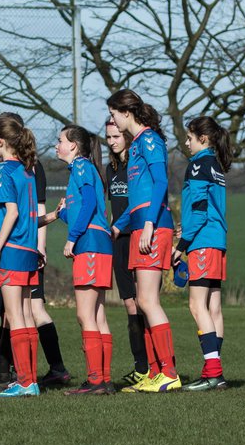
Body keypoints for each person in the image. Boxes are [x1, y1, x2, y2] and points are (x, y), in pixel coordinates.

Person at [108, 89, 181, 392]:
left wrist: (150, 224)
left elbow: (160, 183)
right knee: (141, 302)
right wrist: (117, 226)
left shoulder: (150, 139)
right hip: (139, 227)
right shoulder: (137, 144)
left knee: (148, 301)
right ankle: (154, 372)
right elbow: (137, 199)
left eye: (113, 114)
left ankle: (169, 373)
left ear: (126, 113)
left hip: (153, 228)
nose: (112, 120)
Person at [49, 125, 115, 395]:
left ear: (74, 146)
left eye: (60, 140)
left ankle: (95, 379)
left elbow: (88, 205)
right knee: (98, 314)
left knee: (84, 314)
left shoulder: (81, 167)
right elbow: (84, 209)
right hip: (100, 243)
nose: (56, 145)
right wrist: (63, 213)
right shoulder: (84, 170)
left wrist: (72, 237)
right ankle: (105, 380)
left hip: (89, 244)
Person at [0, 115, 43, 398]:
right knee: (27, 316)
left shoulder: (4, 169)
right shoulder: (27, 170)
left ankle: (26, 382)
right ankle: (30, 380)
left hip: (11, 249)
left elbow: (12, 212)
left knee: (15, 317)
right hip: (28, 249)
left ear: (0, 141)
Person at [175, 116, 231, 391]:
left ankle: (213, 373)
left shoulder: (198, 165)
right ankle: (214, 371)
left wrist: (181, 246)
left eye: (189, 138)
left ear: (203, 139)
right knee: (214, 308)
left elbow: (198, 211)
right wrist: (186, 229)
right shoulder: (216, 166)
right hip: (217, 240)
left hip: (202, 242)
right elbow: (207, 208)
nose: (186, 143)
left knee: (197, 306)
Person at [105, 118, 150, 386]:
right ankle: (141, 366)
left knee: (144, 302)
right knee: (130, 304)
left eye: (116, 137)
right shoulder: (109, 170)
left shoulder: (136, 165)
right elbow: (115, 207)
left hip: (137, 236)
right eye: (108, 138)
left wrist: (118, 227)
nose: (111, 142)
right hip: (118, 241)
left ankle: (158, 365)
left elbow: (136, 204)